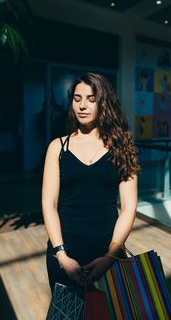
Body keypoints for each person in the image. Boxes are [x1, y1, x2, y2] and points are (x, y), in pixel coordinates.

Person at [42, 72, 140, 293]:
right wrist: (62, 256)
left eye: (91, 99)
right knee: (68, 315)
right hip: (65, 251)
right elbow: (49, 205)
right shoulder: (58, 147)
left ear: (104, 103)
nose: (82, 106)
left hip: (108, 250)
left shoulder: (123, 148)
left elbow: (128, 208)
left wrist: (109, 257)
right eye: (77, 99)